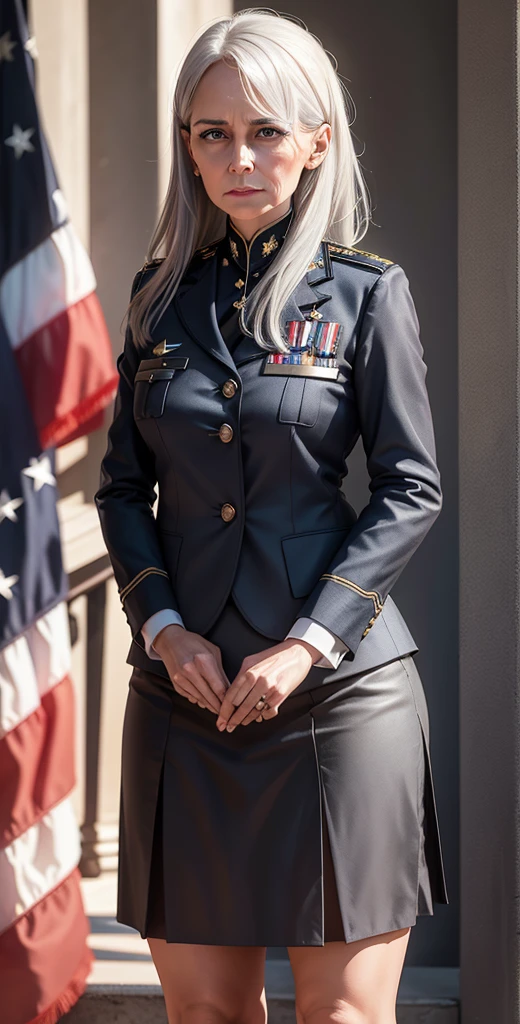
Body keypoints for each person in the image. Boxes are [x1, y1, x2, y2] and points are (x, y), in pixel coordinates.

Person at [95, 9, 449, 1023]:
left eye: (266, 131)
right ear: (188, 147)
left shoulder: (366, 296)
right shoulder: (156, 302)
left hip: (336, 700)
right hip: (183, 702)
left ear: (316, 142)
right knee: (204, 1017)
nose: (238, 157)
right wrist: (163, 630)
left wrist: (306, 643)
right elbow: (123, 490)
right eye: (212, 133)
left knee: (339, 1017)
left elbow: (409, 485)